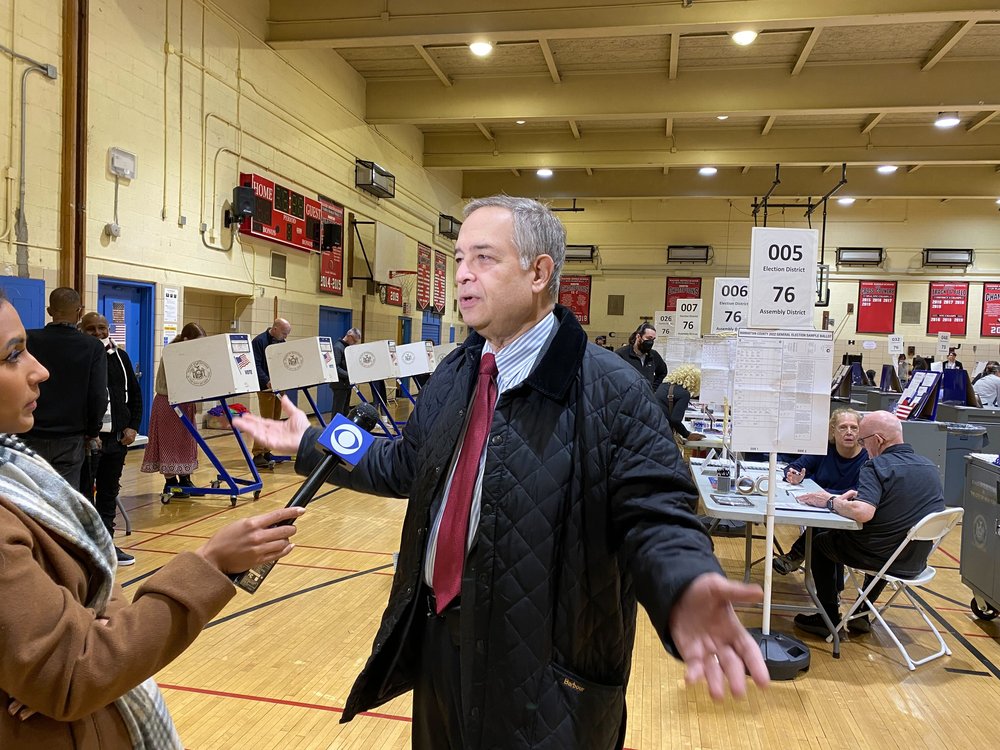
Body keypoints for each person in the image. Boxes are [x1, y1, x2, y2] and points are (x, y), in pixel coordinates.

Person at [238, 195, 768, 749]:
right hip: (441, 645)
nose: (463, 274)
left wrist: (684, 582)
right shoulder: (455, 374)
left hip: (547, 678)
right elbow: (405, 465)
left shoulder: (614, 391)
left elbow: (655, 513)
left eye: (484, 258)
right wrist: (311, 440)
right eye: (459, 257)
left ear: (539, 272)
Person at [0, 287, 303, 747]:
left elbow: (92, 596)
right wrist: (210, 563)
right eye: (13, 356)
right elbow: (71, 673)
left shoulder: (21, 471)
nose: (40, 370)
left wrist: (73, 638)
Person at [791, 410, 946, 637]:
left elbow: (863, 513)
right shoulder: (929, 466)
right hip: (915, 560)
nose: (862, 447)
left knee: (820, 541)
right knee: (891, 537)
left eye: (863, 441)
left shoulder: (877, 466)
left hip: (882, 559)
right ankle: (862, 612)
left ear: (878, 440)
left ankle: (828, 617)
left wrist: (830, 502)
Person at [17, 287, 107, 488]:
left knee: (31, 496)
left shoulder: (28, 340)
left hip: (31, 432)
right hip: (71, 437)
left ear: (50, 311)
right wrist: (93, 431)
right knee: (64, 500)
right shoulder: (93, 347)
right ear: (80, 311)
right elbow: (98, 395)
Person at [78, 312, 143, 567]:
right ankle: (85, 550)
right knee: (84, 497)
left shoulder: (121, 357)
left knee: (108, 495)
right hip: (87, 442)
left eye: (102, 328)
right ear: (82, 330)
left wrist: (132, 427)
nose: (98, 333)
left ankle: (107, 546)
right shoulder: (79, 357)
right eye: (91, 329)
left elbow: (135, 396)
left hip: (116, 441)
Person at [773, 408, 869, 575]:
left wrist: (826, 495)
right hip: (819, 509)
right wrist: (794, 475)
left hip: (847, 512)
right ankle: (830, 590)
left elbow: (859, 492)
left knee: (823, 529)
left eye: (854, 428)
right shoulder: (824, 449)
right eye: (843, 427)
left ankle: (795, 556)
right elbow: (795, 466)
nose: (849, 432)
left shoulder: (868, 457)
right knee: (821, 526)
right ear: (833, 430)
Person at [141, 323, 206, 496]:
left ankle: (185, 479)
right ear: (186, 339)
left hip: (184, 403)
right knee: (169, 443)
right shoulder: (174, 353)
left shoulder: (191, 353)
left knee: (186, 442)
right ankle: (170, 481)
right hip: (168, 403)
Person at [251, 318, 291, 468]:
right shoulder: (259, 341)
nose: (285, 336)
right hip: (265, 387)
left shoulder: (281, 343)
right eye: (284, 333)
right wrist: (267, 380)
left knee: (275, 420)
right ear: (274, 328)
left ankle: (267, 451)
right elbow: (255, 364)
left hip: (279, 386)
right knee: (266, 420)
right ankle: (258, 453)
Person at [654, 364, 706, 443]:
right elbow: (675, 420)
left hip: (653, 429)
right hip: (663, 435)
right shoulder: (684, 394)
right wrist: (687, 435)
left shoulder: (662, 386)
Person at [615, 321, 668, 391]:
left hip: (646, 398)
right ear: (638, 336)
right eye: (648, 338)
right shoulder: (621, 354)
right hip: (626, 398)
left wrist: (653, 388)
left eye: (653, 339)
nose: (651, 342)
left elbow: (662, 372)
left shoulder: (653, 355)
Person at [330, 327, 361, 419]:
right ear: (349, 336)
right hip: (339, 385)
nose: (354, 343)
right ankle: (334, 429)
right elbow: (335, 368)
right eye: (354, 341)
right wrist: (350, 375)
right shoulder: (338, 347)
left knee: (345, 410)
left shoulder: (347, 348)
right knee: (338, 411)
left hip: (346, 384)